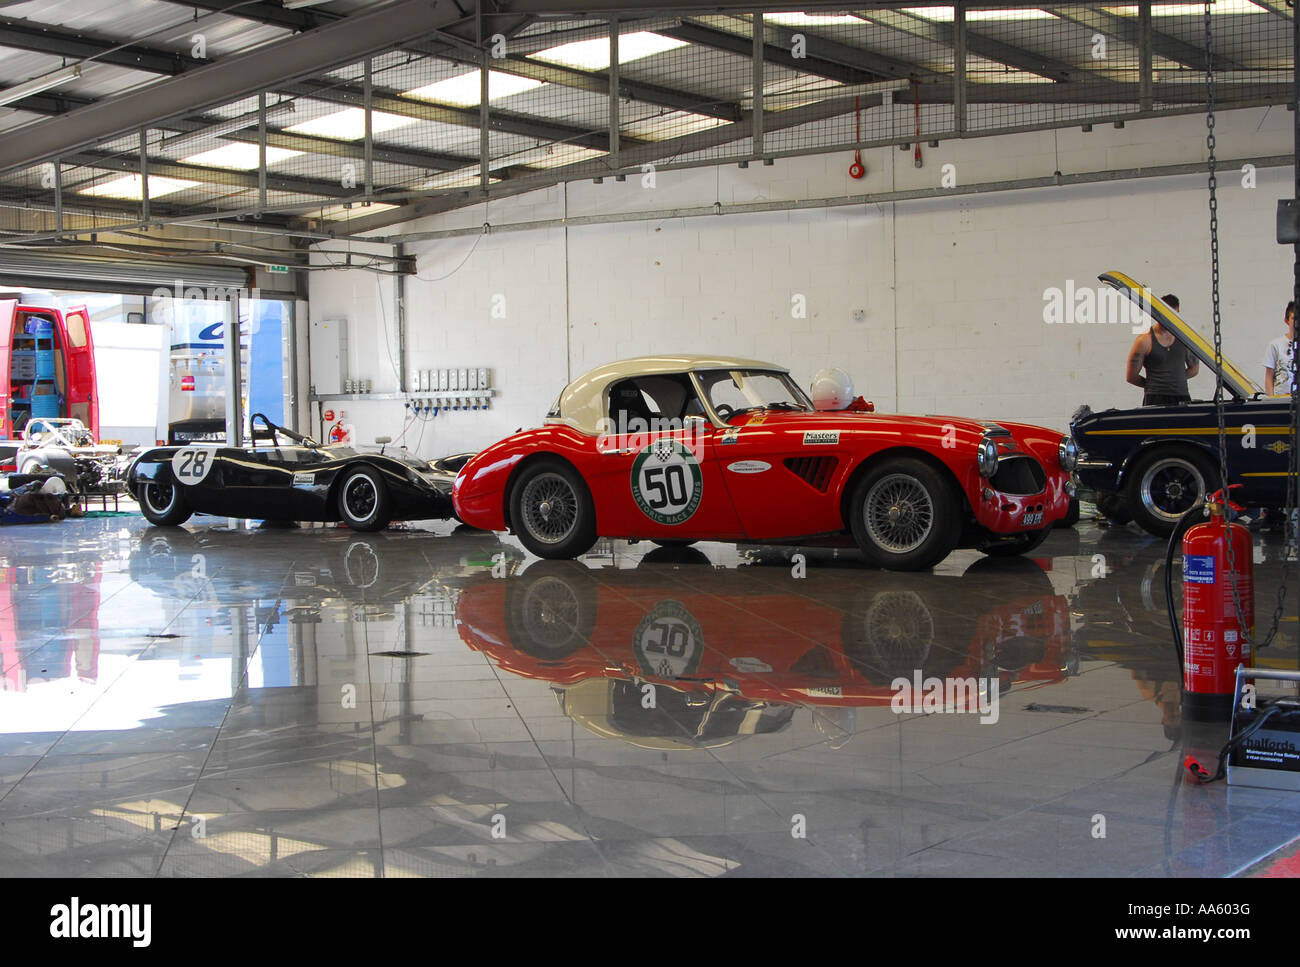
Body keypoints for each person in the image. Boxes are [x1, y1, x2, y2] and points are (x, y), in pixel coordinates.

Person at [1125, 293, 1199, 405]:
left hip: (1181, 397)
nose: (1169, 320)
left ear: (1177, 313)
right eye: (1166, 315)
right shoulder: (1144, 340)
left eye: (1173, 315)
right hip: (1155, 398)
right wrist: (1155, 385)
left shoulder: (1186, 339)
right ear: (1158, 312)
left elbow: (1194, 369)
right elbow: (1131, 377)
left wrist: (1174, 381)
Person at [1263, 301, 1296, 396]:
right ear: (1287, 321)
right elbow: (1269, 377)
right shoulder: (1275, 345)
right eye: (1294, 318)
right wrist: (1271, 400)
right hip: (1282, 400)